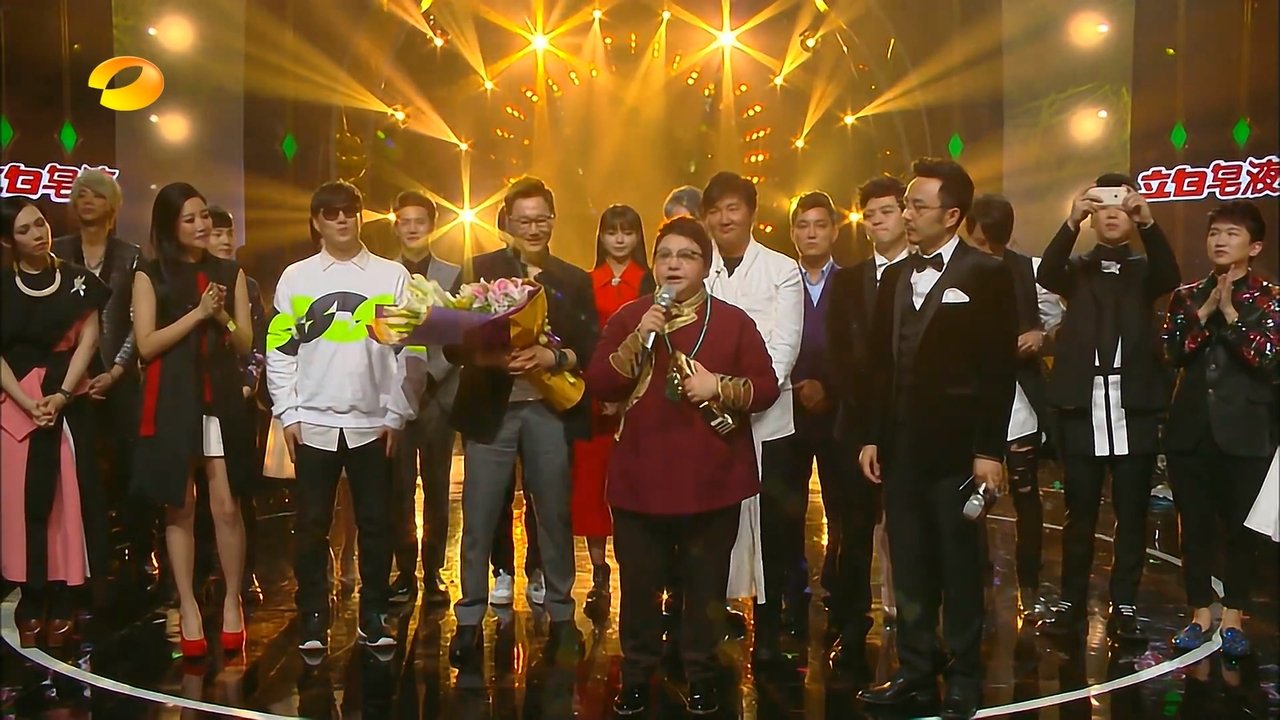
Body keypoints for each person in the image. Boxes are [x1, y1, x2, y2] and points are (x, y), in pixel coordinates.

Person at [587, 217, 780, 717]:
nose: (674, 264)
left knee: (704, 587)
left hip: (712, 478)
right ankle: (636, 676)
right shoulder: (631, 317)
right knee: (639, 588)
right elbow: (601, 382)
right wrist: (640, 337)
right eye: (665, 255)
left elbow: (766, 388)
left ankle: (701, 674)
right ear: (653, 264)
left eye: (687, 255)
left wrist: (719, 386)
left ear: (705, 265)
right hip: (640, 478)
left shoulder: (733, 321)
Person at [856, 158, 1017, 719]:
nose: (907, 214)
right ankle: (916, 671)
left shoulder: (987, 274)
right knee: (910, 565)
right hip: (900, 448)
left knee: (959, 567)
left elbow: (998, 370)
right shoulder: (896, 276)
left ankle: (966, 675)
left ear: (951, 216)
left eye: (917, 205)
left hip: (958, 452)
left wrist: (988, 450)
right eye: (906, 204)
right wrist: (872, 436)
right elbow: (881, 363)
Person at [446, 177, 597, 669]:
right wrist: (490, 356)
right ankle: (469, 619)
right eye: (524, 220)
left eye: (541, 219)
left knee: (553, 514)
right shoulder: (479, 270)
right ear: (507, 222)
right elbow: (451, 343)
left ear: (553, 220)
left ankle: (561, 613)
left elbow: (590, 346)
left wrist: (552, 356)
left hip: (548, 410)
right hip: (491, 410)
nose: (533, 228)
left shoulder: (572, 279)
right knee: (479, 515)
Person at [266, 180, 420, 652]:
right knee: (312, 524)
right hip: (312, 422)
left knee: (376, 524)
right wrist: (287, 412)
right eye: (331, 213)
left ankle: (373, 613)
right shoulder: (296, 278)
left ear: (361, 216)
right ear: (316, 222)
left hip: (374, 423)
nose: (341, 219)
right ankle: (313, 614)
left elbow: (410, 352)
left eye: (349, 210)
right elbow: (280, 350)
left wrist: (397, 413)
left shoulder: (391, 276)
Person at [1035, 173, 1181, 640]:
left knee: (1132, 513)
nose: (1113, 213)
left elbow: (1170, 276)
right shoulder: (1077, 269)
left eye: (1122, 205)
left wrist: (1150, 222)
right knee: (1078, 514)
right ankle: (1071, 603)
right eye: (1103, 206)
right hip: (1083, 405)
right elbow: (1046, 273)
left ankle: (1125, 605)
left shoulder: (1144, 270)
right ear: (1092, 216)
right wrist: (1070, 222)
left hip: (1132, 406)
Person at [130, 183, 255, 658]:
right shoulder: (150, 273)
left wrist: (221, 318)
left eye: (204, 215)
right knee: (179, 505)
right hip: (172, 397)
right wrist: (198, 313)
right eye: (190, 219)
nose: (202, 225)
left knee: (226, 505)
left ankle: (232, 601)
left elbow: (244, 342)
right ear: (169, 226)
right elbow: (146, 345)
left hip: (219, 395)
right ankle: (186, 605)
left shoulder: (229, 271)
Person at [1162, 200, 1279, 657]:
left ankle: (1234, 616)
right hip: (1190, 430)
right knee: (1194, 528)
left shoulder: (1270, 298)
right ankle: (1199, 612)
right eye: (1215, 233)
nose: (1220, 240)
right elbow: (1172, 352)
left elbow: (1268, 360)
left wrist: (1230, 315)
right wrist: (1206, 308)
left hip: (1246, 430)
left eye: (1232, 233)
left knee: (1241, 530)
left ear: (1255, 246)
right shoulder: (1188, 295)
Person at [701, 171, 803, 657]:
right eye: (715, 210)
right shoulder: (699, 269)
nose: (725, 218)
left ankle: (770, 627)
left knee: (771, 528)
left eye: (733, 208)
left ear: (751, 213)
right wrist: (711, 394)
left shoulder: (782, 269)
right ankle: (709, 621)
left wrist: (747, 392)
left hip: (768, 417)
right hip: (706, 415)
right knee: (711, 524)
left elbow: (784, 346)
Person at [1, 197, 110, 648]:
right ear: (8, 241)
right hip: (16, 405)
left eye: (40, 223)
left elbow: (90, 337)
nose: (38, 234)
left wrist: (62, 394)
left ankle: (66, 596)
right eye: (25, 230)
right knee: (20, 502)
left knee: (70, 500)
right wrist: (26, 402)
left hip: (69, 399)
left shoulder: (78, 280)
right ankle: (32, 595)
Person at [962, 194, 1064, 617]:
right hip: (970, 396)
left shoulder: (1029, 270)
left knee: (1026, 495)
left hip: (1019, 395)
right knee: (974, 497)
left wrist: (1040, 336)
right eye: (979, 241)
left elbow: (1054, 322)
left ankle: (1030, 585)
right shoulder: (956, 271)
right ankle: (975, 584)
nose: (985, 250)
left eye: (993, 243)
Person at [825, 175, 909, 674]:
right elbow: (837, 352)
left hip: (912, 426)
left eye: (887, 211)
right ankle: (852, 629)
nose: (878, 222)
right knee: (852, 535)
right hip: (855, 425)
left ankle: (918, 634)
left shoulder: (926, 274)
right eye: (870, 215)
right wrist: (859, 423)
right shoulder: (848, 280)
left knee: (912, 535)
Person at [51, 170, 147, 585]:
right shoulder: (57, 251)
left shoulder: (131, 255)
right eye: (80, 194)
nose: (85, 200)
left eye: (95, 194)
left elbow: (136, 321)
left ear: (112, 206)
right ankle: (88, 558)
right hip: (69, 377)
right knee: (80, 471)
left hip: (119, 375)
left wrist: (116, 371)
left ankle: (140, 551)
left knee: (131, 468)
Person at [573, 204, 655, 623]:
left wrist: (626, 393)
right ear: (601, 237)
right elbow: (583, 339)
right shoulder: (584, 283)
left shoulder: (651, 281)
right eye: (612, 232)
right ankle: (599, 572)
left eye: (628, 232)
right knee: (592, 484)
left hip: (641, 397)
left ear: (639, 237)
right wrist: (600, 389)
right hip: (594, 396)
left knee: (638, 485)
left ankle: (640, 572)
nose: (620, 240)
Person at [772, 191, 842, 652]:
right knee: (786, 513)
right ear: (793, 232)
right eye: (802, 225)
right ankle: (792, 601)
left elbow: (859, 348)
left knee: (842, 512)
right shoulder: (781, 281)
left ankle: (838, 598)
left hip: (838, 415)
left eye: (819, 224)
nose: (811, 233)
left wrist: (829, 388)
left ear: (834, 230)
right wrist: (795, 384)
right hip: (787, 410)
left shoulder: (852, 282)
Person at [385, 190, 459, 606]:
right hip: (394, 395)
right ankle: (404, 571)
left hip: (437, 395)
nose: (413, 228)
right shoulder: (381, 274)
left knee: (436, 487)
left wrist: (432, 375)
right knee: (398, 489)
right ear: (395, 225)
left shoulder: (453, 274)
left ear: (433, 226)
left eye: (420, 221)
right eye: (405, 221)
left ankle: (433, 571)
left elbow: (459, 334)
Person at [205, 206, 271, 603]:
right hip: (198, 399)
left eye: (229, 233)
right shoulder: (186, 281)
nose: (225, 240)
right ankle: (203, 571)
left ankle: (245, 572)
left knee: (239, 490)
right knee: (198, 495)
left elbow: (256, 343)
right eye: (217, 233)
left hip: (238, 399)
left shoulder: (247, 285)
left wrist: (248, 384)